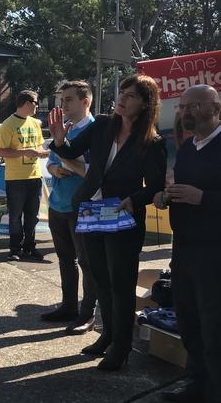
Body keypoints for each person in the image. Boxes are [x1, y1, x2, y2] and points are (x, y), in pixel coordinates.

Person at [48, 74, 166, 371]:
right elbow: (71, 152)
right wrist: (60, 141)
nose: (122, 99)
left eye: (131, 95)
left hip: (122, 218)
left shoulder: (152, 142)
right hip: (90, 212)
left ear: (145, 104)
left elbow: (154, 186)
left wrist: (133, 199)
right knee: (100, 279)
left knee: (121, 285)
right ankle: (107, 336)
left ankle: (122, 347)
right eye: (122, 92)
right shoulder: (102, 124)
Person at [153, 85, 221, 403]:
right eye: (182, 107)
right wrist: (165, 197)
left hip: (214, 253)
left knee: (214, 328)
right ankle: (198, 384)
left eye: (193, 106)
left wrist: (203, 198)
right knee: (189, 321)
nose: (185, 112)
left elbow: (201, 195)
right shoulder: (187, 148)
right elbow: (182, 190)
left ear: (214, 108)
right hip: (184, 251)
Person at [42, 81, 97, 336]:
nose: (63, 105)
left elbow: (92, 173)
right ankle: (68, 306)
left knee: (87, 262)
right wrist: (55, 168)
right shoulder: (63, 128)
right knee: (66, 260)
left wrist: (66, 159)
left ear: (86, 101)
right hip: (58, 204)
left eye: (69, 100)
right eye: (62, 100)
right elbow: (51, 163)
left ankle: (88, 314)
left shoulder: (96, 131)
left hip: (83, 207)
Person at [0, 90, 49, 261]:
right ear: (26, 103)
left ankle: (30, 247)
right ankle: (14, 249)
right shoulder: (8, 124)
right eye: (35, 102)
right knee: (16, 216)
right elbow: (0, 150)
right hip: (16, 178)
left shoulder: (35, 123)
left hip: (35, 176)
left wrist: (41, 152)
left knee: (33, 216)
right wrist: (25, 152)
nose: (37, 106)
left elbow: (39, 145)